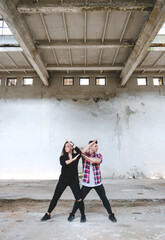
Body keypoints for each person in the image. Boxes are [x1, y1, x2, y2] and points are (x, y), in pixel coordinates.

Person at [67, 140, 117, 223]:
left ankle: (111, 214)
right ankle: (72, 214)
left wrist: (86, 157)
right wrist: (86, 151)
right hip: (87, 183)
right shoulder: (84, 154)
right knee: (79, 199)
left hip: (97, 183)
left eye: (97, 146)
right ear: (90, 146)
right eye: (95, 146)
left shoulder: (99, 155)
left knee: (104, 198)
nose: (97, 147)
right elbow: (81, 152)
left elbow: (96, 161)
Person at [41, 141, 86, 223]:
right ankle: (48, 214)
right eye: (65, 146)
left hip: (73, 180)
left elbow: (80, 152)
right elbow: (64, 163)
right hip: (63, 180)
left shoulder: (76, 155)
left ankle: (83, 215)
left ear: (71, 148)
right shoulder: (62, 157)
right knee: (55, 197)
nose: (66, 148)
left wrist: (73, 144)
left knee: (79, 199)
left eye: (68, 146)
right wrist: (73, 159)